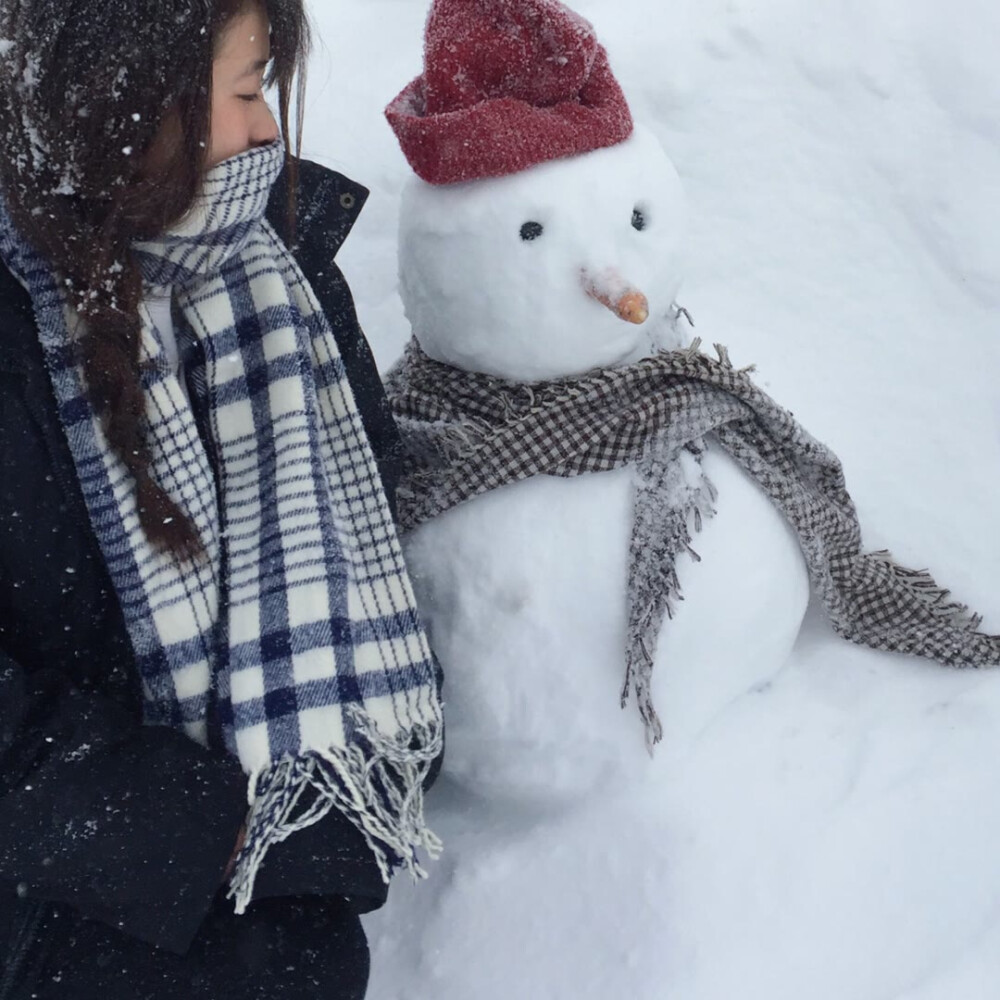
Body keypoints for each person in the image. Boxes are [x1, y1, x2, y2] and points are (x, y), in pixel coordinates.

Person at [0, 1, 443, 997]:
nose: (268, 129)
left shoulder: (280, 270)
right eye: (246, 91)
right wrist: (216, 825)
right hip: (49, 913)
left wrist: (323, 806)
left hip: (274, 913)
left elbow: (368, 556)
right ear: (128, 98)